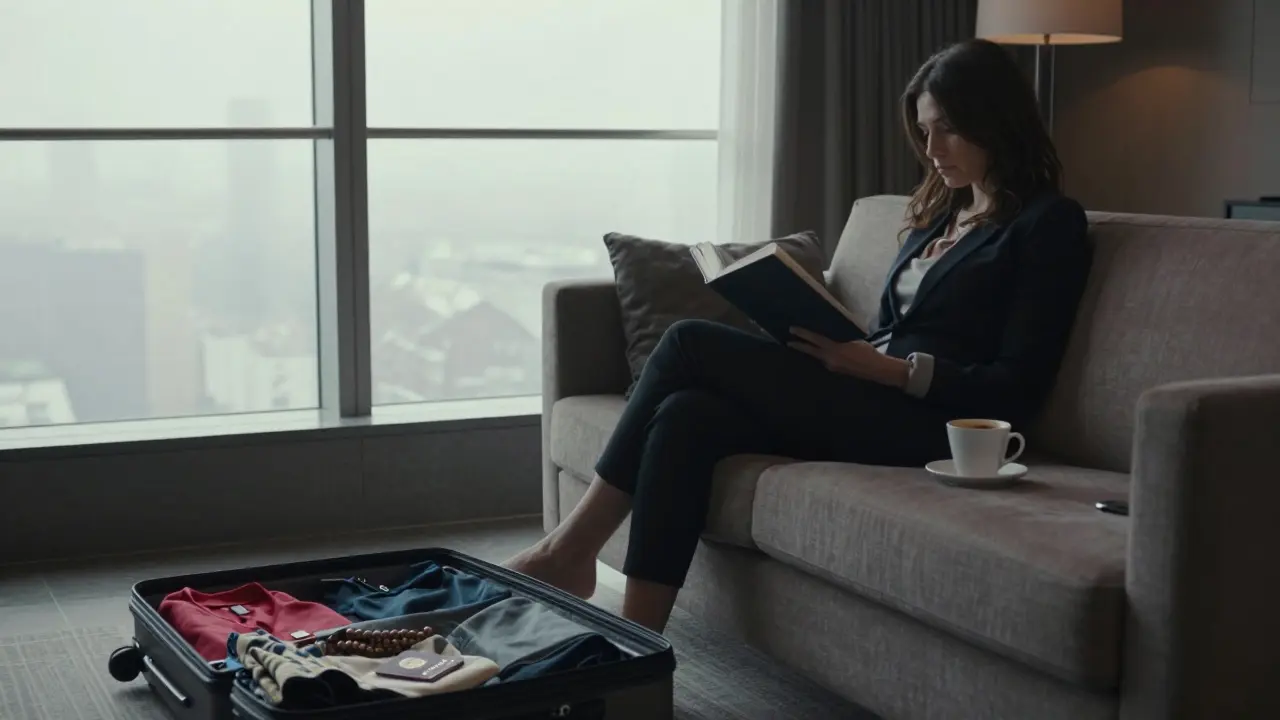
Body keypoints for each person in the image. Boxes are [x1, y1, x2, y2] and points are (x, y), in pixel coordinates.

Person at [504, 38, 1093, 633]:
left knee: (688, 342)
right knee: (686, 415)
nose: (931, 149)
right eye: (924, 130)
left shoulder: (1048, 224)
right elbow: (898, 327)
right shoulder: (940, 214)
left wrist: (887, 369)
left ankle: (567, 551)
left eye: (949, 130)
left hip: (930, 425)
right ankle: (640, 650)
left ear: (995, 119)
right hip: (867, 390)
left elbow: (1017, 386)